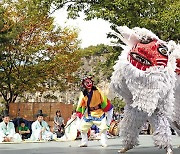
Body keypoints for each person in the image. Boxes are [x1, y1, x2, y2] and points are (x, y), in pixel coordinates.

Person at [76, 76, 113, 147]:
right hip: (89, 113)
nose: (89, 84)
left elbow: (103, 99)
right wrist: (79, 112)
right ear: (84, 84)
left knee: (103, 128)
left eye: (90, 82)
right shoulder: (83, 93)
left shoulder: (97, 90)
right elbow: (81, 103)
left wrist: (106, 108)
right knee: (82, 128)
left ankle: (103, 142)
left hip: (98, 112)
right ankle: (84, 142)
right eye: (87, 82)